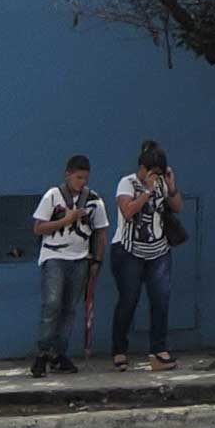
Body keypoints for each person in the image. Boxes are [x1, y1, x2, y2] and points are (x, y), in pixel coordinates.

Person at [109, 141, 182, 371]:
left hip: (158, 250)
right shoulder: (127, 182)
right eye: (152, 172)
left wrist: (171, 187)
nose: (154, 176)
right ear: (143, 168)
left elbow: (178, 207)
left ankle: (158, 351)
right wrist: (147, 191)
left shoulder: (162, 183)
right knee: (129, 300)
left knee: (161, 299)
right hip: (129, 250)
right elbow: (127, 211)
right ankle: (119, 350)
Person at [31, 154, 106, 376]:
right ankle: (42, 352)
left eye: (85, 178)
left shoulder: (94, 200)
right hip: (54, 256)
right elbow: (39, 228)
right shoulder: (53, 196)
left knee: (69, 309)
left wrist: (97, 260)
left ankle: (59, 353)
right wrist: (67, 219)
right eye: (78, 177)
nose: (82, 182)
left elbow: (101, 232)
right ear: (68, 175)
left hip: (79, 258)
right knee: (52, 304)